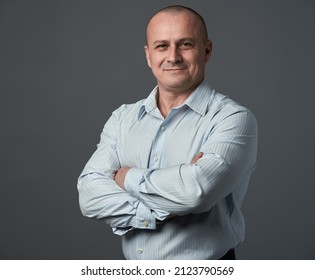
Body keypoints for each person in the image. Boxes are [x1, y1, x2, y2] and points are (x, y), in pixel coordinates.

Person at [77, 5, 258, 260]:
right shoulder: (122, 118)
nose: (173, 57)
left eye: (185, 44)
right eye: (162, 46)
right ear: (148, 55)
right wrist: (168, 207)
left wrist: (126, 177)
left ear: (206, 51)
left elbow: (195, 192)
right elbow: (89, 196)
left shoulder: (232, 119)